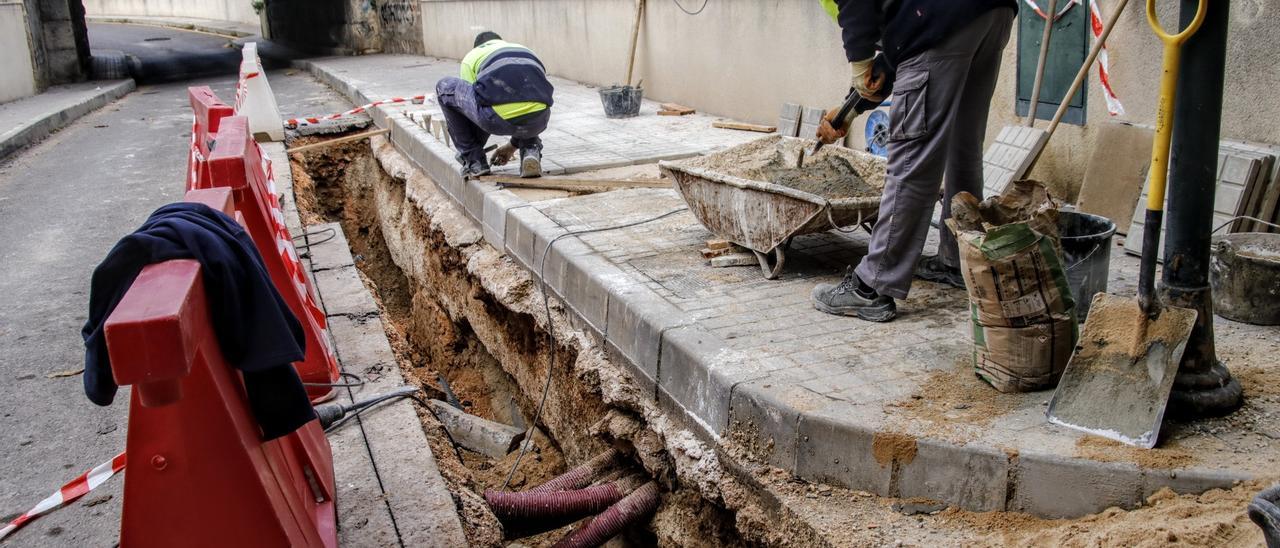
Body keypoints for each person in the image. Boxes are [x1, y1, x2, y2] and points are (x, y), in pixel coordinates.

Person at [810, 0, 1017, 322]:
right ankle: (958, 262)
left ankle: (871, 286)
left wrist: (859, 61)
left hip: (936, 16)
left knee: (911, 161)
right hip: (989, 13)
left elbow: (912, 41)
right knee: (963, 148)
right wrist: (851, 108)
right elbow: (907, 50)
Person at [436, 31, 554, 178]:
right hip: (540, 120)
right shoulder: (525, 50)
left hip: (495, 120)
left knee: (444, 87)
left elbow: (473, 105)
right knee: (528, 99)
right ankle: (530, 150)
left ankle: (475, 162)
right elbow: (528, 100)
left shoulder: (472, 56)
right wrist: (512, 146)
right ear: (500, 42)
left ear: (477, 47)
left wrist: (474, 147)